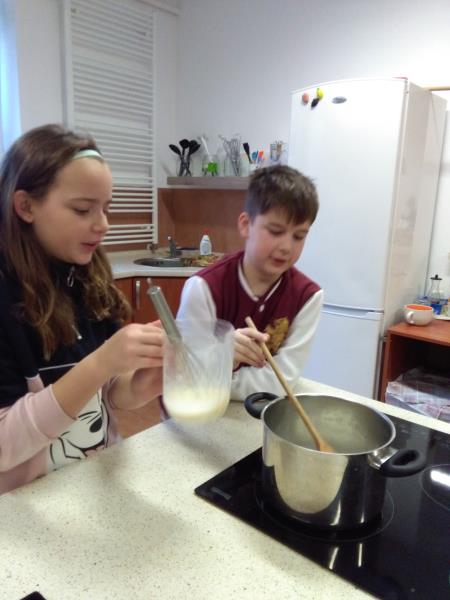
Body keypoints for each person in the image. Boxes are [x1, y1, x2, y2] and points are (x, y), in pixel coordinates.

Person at [0, 124, 163, 494]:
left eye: (106, 208)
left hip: (93, 482)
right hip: (29, 504)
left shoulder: (86, 277)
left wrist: (142, 384)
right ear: (26, 206)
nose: (103, 224)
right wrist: (100, 363)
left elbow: (106, 394)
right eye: (82, 209)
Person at [177, 165, 323, 401]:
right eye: (275, 231)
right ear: (246, 225)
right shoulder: (203, 288)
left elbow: (282, 382)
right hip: (197, 412)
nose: (287, 247)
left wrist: (217, 375)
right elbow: (186, 375)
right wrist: (222, 356)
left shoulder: (308, 297)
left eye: (299, 236)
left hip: (258, 412)